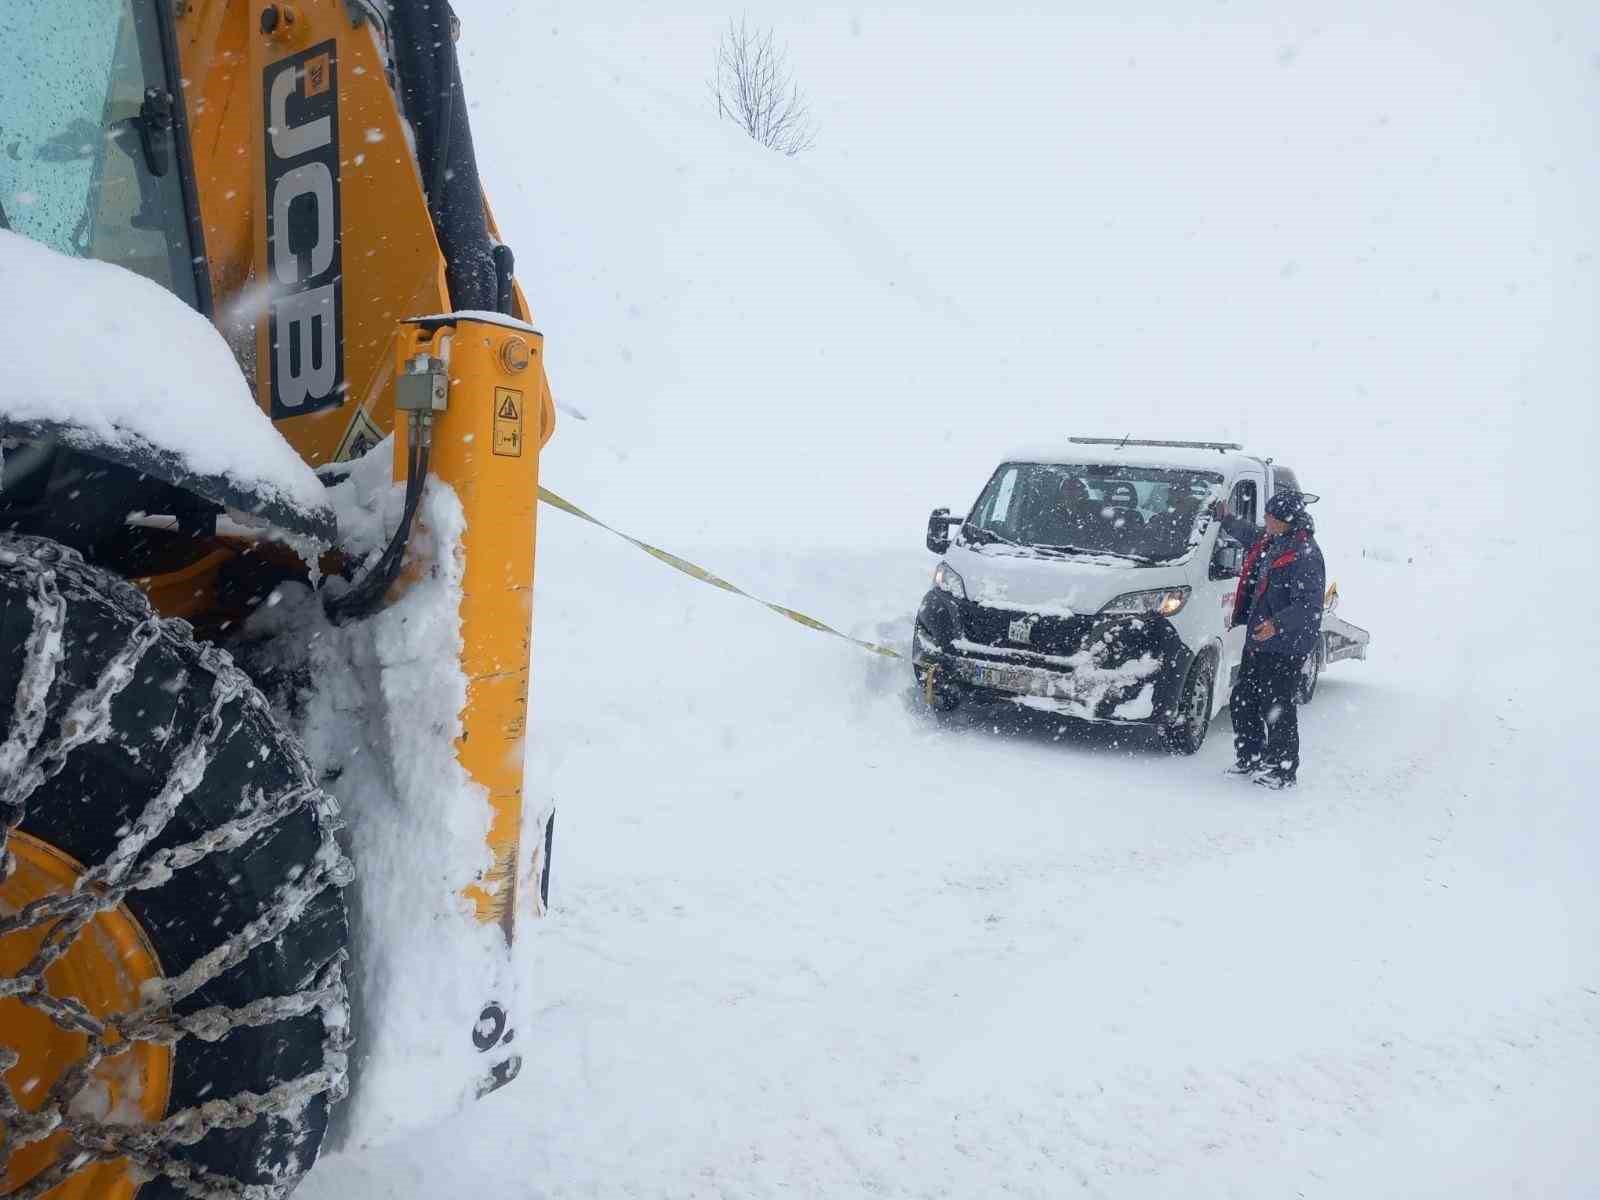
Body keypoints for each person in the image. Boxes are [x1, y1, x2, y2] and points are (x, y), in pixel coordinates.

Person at [1215, 490, 1325, 788]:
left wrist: (1276, 625)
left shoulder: (1305, 554)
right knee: (1243, 699)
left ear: (1287, 520)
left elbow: (1309, 605)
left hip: (1286, 645)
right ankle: (1251, 757)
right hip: (1259, 641)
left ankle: (1282, 769)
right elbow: (1249, 534)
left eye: (1271, 516)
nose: (1265, 520)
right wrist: (1226, 519)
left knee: (1277, 706)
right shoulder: (1272, 541)